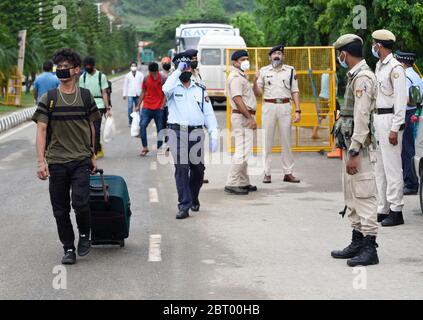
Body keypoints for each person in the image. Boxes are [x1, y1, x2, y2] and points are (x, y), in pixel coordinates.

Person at [32, 48, 101, 265]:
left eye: (66, 67)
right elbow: (41, 130)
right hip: (57, 161)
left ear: (76, 70)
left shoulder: (85, 96)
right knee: (60, 209)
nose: (62, 71)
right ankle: (68, 247)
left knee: (80, 203)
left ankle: (84, 235)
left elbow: (92, 126)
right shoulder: (49, 98)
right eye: (58, 67)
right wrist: (41, 161)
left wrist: (92, 153)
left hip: (80, 159)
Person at [330, 34, 379, 267]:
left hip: (360, 147)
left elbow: (361, 116)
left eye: (339, 53)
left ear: (344, 54)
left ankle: (370, 247)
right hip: (351, 145)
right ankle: (357, 240)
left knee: (364, 194)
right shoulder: (355, 76)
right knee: (352, 193)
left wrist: (355, 150)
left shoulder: (363, 78)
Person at [162, 52, 218, 219]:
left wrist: (213, 132)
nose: (185, 69)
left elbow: (208, 113)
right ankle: (184, 205)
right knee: (182, 167)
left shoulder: (199, 89)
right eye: (182, 66)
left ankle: (193, 196)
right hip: (176, 131)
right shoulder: (172, 88)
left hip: (196, 132)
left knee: (198, 169)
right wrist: (177, 71)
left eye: (187, 66)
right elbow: (165, 88)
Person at [372, 30, 407, 227]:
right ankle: (383, 207)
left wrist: (395, 128)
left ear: (380, 45)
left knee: (393, 167)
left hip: (390, 120)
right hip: (378, 118)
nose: (373, 47)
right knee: (380, 167)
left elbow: (400, 101)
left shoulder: (396, 68)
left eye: (374, 44)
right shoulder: (379, 66)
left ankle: (396, 209)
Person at [253, 44, 301, 184]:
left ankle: (288, 172)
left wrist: (298, 110)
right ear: (270, 57)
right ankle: (267, 173)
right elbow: (258, 93)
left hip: (285, 106)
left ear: (283, 56)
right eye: (274, 54)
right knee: (267, 141)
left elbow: (295, 91)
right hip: (269, 106)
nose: (277, 56)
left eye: (279, 53)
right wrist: (255, 81)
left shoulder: (290, 71)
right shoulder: (263, 71)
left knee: (286, 141)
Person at [225, 50, 258, 195]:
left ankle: (243, 182)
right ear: (235, 62)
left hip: (244, 116)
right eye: (243, 59)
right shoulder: (236, 77)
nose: (246, 61)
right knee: (242, 150)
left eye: (246, 58)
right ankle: (232, 182)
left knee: (245, 150)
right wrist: (249, 118)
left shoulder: (241, 76)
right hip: (242, 116)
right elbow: (238, 99)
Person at [395, 51, 423, 195]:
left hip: (407, 114)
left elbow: (406, 98)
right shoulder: (416, 76)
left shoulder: (405, 76)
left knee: (407, 150)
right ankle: (412, 181)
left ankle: (411, 183)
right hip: (415, 113)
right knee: (411, 147)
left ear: (402, 63)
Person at [79, 56, 111, 159]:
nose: (87, 68)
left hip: (99, 105)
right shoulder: (82, 77)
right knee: (88, 130)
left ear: (93, 66)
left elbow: (104, 93)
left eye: (89, 66)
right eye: (86, 66)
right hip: (87, 106)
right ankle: (96, 147)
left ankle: (95, 152)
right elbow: (81, 94)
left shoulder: (101, 76)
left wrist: (107, 108)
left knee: (96, 130)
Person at [135, 62, 166, 156]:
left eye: (155, 73)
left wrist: (162, 105)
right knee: (142, 125)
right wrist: (138, 105)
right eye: (151, 73)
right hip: (147, 107)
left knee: (160, 129)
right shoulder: (146, 79)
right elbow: (143, 92)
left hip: (158, 108)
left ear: (158, 71)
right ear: (149, 71)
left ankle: (160, 148)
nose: (153, 75)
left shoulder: (163, 79)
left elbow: (166, 94)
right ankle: (145, 147)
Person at [123, 61, 144, 126]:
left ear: (136, 67)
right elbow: (125, 85)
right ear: (130, 67)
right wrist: (124, 94)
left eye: (134, 66)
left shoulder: (140, 75)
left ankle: (138, 121)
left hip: (138, 93)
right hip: (130, 94)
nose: (133, 67)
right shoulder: (127, 75)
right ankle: (130, 121)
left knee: (138, 107)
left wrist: (143, 94)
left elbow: (143, 85)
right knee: (130, 107)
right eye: (132, 66)